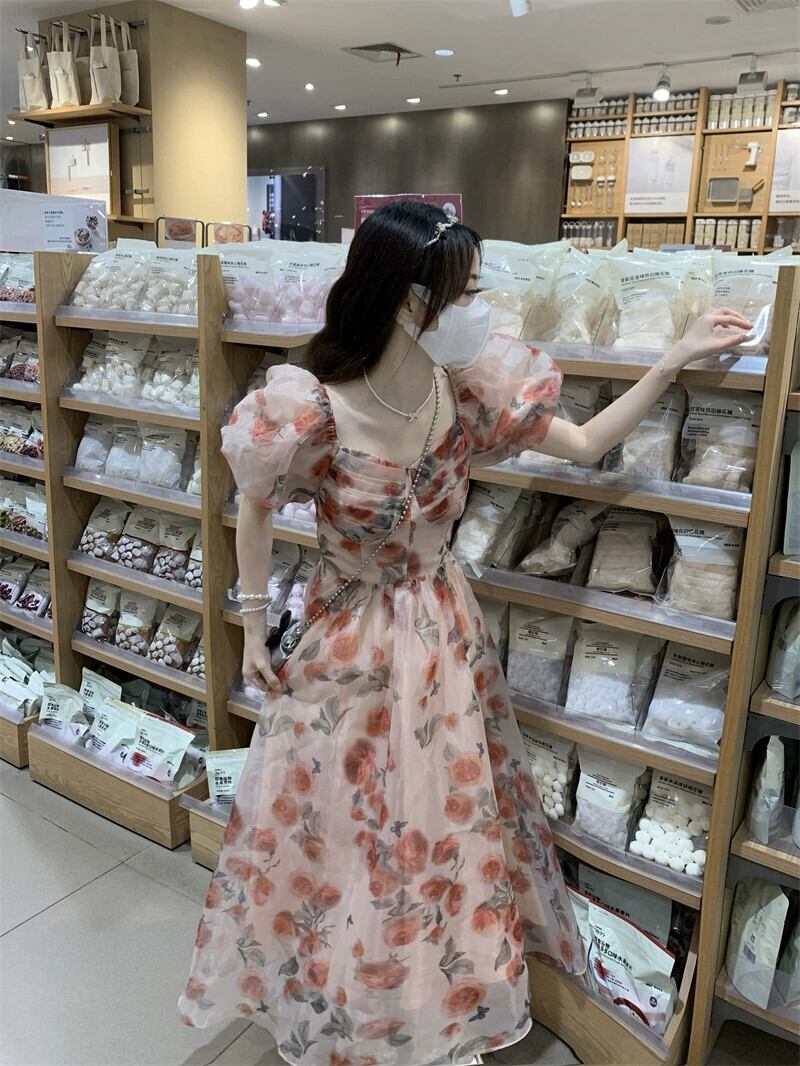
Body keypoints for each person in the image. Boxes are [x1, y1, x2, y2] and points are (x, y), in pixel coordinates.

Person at [177, 202, 751, 1066]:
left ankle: (427, 999)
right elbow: (254, 504)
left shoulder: (465, 389)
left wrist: (672, 358)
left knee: (439, 822)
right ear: (412, 301)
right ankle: (341, 996)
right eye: (467, 291)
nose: (480, 307)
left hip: (443, 632)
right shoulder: (310, 407)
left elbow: (583, 442)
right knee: (341, 822)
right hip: (347, 642)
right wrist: (254, 625)